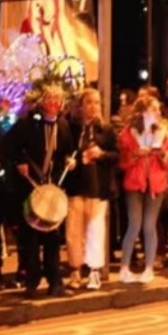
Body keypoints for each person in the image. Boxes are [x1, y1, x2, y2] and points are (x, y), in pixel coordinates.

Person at [5, 85, 77, 298]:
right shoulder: (28, 124)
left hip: (51, 188)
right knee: (29, 238)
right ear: (42, 101)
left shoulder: (63, 125)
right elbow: (8, 146)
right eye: (50, 99)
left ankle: (55, 282)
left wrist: (70, 161)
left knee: (52, 239)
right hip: (29, 188)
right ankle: (32, 281)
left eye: (58, 99)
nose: (54, 103)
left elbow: (68, 151)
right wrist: (19, 163)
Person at [117, 96, 168, 284]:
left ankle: (149, 268)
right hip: (135, 183)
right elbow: (121, 163)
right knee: (134, 225)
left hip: (156, 185)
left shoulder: (165, 134)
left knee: (149, 225)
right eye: (154, 109)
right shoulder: (127, 134)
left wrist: (163, 155)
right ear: (143, 113)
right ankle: (124, 267)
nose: (158, 113)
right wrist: (134, 155)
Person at [66, 88, 118, 290]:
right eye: (89, 102)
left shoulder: (106, 129)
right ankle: (75, 270)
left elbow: (117, 155)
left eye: (97, 102)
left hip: (98, 188)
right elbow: (65, 151)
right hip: (76, 187)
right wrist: (71, 160)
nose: (94, 107)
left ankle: (94, 271)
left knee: (95, 231)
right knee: (74, 232)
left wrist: (101, 154)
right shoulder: (72, 128)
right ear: (81, 106)